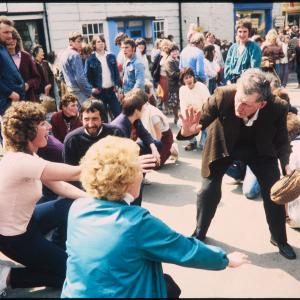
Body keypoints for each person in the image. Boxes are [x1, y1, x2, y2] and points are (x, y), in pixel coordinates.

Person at [61, 135, 250, 298]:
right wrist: (225, 259)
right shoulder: (136, 222)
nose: (143, 175)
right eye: (139, 170)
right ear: (124, 180)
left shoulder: (77, 208)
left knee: (168, 285)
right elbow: (185, 249)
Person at [177, 68, 296, 260]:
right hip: (224, 144)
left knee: (274, 192)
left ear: (262, 104)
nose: (239, 107)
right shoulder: (223, 95)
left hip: (259, 149)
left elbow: (281, 141)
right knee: (208, 191)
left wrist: (286, 164)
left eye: (246, 105)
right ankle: (199, 233)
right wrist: (188, 131)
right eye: (238, 99)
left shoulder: (278, 107)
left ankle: (279, 238)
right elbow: (201, 121)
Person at [0, 101, 88, 296]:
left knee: (73, 202)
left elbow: (59, 186)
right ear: (28, 130)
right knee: (73, 274)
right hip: (17, 239)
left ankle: (54, 252)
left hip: (27, 222)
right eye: (42, 123)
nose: (49, 126)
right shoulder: (20, 161)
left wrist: (91, 199)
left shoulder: (28, 156)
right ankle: (7, 277)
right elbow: (76, 173)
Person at [63, 98, 124, 167]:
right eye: (86, 119)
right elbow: (70, 171)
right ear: (81, 119)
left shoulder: (116, 134)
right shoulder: (71, 140)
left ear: (102, 118)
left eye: (95, 119)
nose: (90, 124)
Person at [85, 34, 121, 120]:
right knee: (102, 118)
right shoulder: (90, 59)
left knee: (119, 115)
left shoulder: (111, 56)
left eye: (103, 41)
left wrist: (117, 86)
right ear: (94, 44)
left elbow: (116, 73)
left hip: (112, 91)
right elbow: (87, 77)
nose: (101, 43)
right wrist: (92, 89)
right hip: (99, 92)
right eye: (98, 42)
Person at [59, 32, 99, 104]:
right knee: (88, 112)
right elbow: (80, 78)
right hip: (79, 92)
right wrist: (89, 91)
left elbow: (61, 76)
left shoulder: (63, 54)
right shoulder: (75, 55)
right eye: (78, 41)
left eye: (81, 41)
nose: (80, 44)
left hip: (70, 91)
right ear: (71, 42)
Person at [141, 87, 177, 166]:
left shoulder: (153, 114)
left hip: (165, 138)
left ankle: (172, 149)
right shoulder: (143, 110)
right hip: (155, 137)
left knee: (156, 164)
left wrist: (155, 150)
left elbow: (159, 136)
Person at [179, 67, 210, 151]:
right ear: (183, 80)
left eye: (190, 77)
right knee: (181, 122)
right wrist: (186, 118)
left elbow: (208, 104)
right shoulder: (182, 90)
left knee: (203, 147)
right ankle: (192, 142)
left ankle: (204, 140)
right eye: (186, 78)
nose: (188, 79)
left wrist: (200, 112)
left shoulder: (201, 86)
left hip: (204, 114)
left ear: (193, 77)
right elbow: (183, 106)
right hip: (192, 115)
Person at [6, 28, 41, 102]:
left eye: (14, 38)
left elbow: (37, 78)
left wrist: (28, 84)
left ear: (17, 40)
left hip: (28, 100)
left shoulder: (26, 56)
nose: (12, 41)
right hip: (8, 101)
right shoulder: (2, 59)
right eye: (8, 39)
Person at [0, 16, 25, 115]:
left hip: (14, 101)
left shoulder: (2, 47)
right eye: (6, 32)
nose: (10, 36)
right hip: (7, 102)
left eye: (10, 32)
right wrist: (10, 94)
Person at [224, 19, 261, 84]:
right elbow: (227, 65)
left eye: (245, 31)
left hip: (247, 83)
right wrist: (228, 80)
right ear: (237, 32)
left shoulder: (254, 47)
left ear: (249, 32)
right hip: (231, 82)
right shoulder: (233, 47)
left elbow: (254, 68)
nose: (242, 34)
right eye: (240, 31)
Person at [151, 39, 172, 111]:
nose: (166, 47)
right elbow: (154, 67)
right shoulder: (159, 56)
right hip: (161, 77)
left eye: (167, 46)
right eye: (164, 46)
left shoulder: (171, 55)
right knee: (162, 93)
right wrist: (154, 77)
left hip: (169, 77)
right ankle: (160, 107)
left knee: (168, 93)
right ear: (161, 47)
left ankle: (167, 107)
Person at [165, 43, 180, 124]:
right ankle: (176, 118)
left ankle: (178, 117)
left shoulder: (177, 59)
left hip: (179, 84)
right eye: (173, 51)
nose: (175, 52)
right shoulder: (168, 61)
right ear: (170, 52)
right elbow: (172, 74)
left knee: (179, 102)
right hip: (173, 85)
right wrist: (182, 72)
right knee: (175, 103)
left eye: (176, 51)